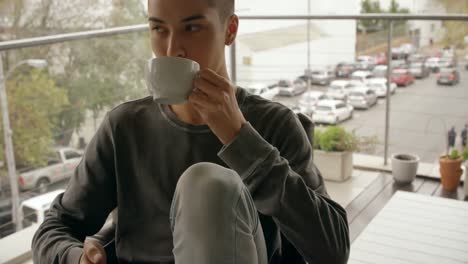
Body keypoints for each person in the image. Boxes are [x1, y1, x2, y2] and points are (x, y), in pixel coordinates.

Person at [32, 0, 350, 263]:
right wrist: (76, 257)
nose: (172, 49)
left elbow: (333, 250)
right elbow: (54, 228)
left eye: (192, 28)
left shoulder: (273, 124)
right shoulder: (125, 126)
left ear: (230, 30)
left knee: (207, 186)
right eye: (159, 29)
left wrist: (241, 139)